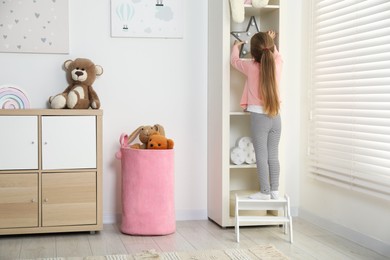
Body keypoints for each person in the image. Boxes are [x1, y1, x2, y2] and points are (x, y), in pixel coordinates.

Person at [230, 31, 283, 200]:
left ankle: (265, 192)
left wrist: (235, 47)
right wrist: (271, 43)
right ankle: (275, 190)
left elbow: (234, 61)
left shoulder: (251, 67)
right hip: (276, 118)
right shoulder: (277, 64)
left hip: (259, 118)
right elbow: (276, 55)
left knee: (261, 155)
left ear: (253, 53)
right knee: (273, 155)